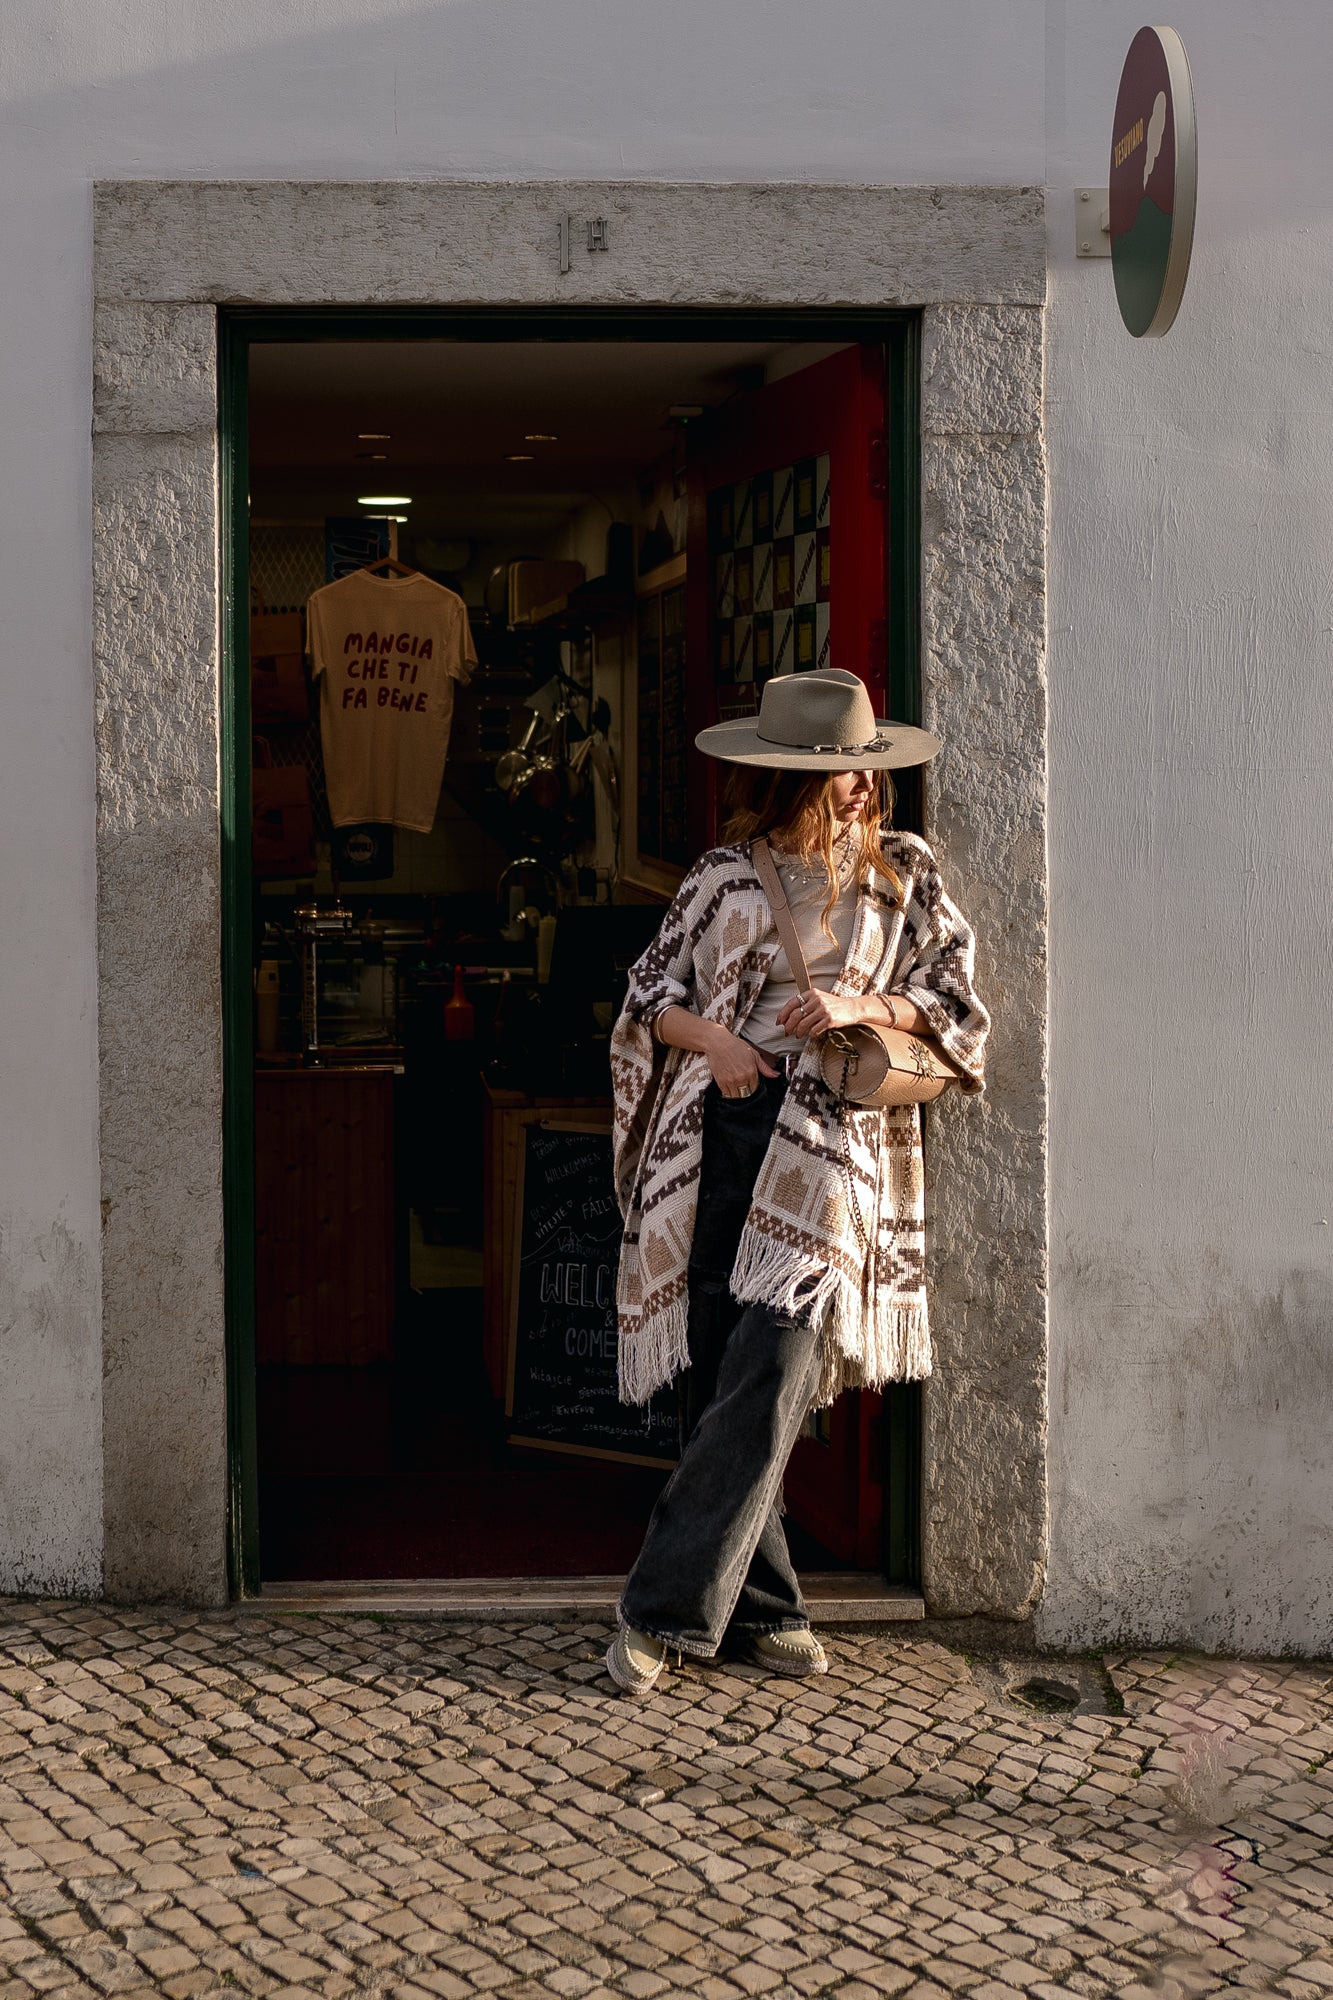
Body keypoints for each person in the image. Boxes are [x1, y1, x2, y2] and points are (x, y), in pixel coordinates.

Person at [605, 669, 990, 1695]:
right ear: (782, 782)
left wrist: (874, 1002)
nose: (861, 791)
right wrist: (722, 1042)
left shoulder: (905, 873)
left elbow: (951, 992)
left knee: (775, 1368)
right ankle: (769, 1608)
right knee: (723, 1377)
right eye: (838, 778)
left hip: (826, 1144)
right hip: (724, 1131)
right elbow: (649, 993)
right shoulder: (725, 876)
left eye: (868, 773)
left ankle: (658, 1610)